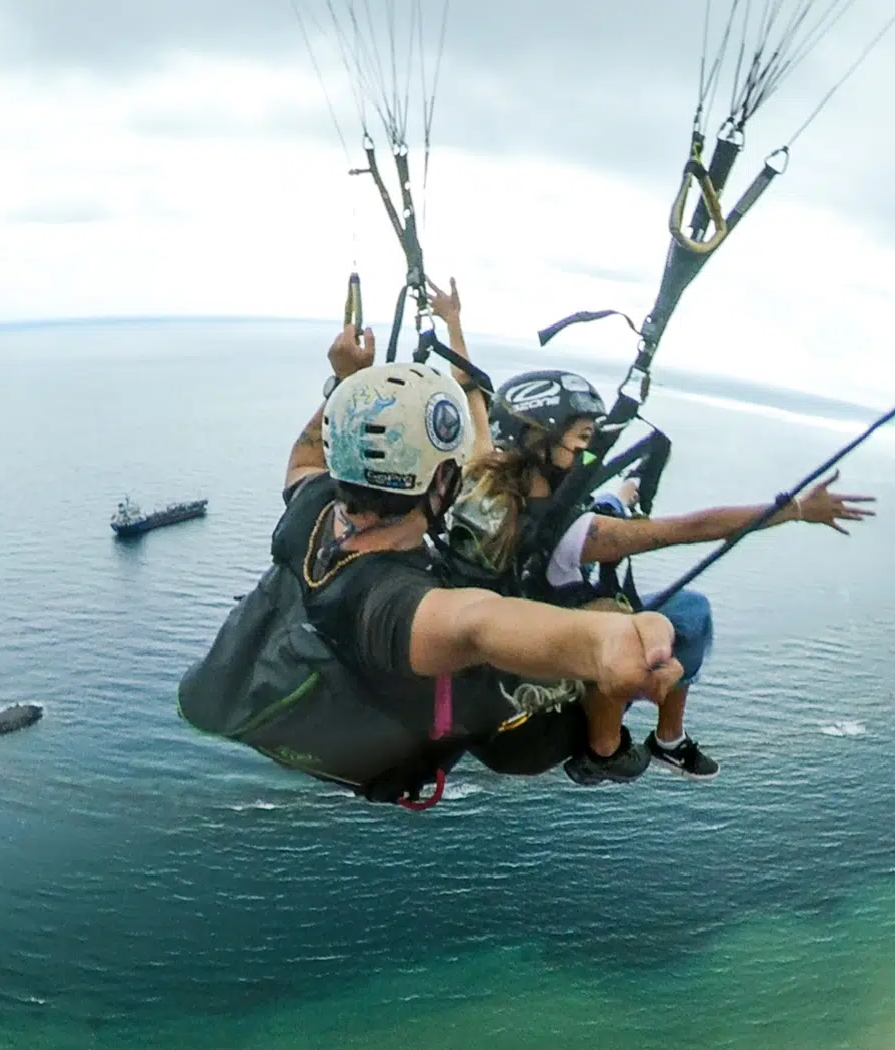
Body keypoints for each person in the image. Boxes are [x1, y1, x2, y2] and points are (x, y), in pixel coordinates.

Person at [188, 294, 683, 804]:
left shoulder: (310, 511)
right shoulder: (396, 605)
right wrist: (605, 639)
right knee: (674, 618)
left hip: (296, 692)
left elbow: (307, 454)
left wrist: (349, 382)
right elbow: (479, 624)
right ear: (442, 484)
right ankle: (607, 751)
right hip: (510, 736)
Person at [441, 368, 872, 782]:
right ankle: (606, 750)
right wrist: (795, 509)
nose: (588, 456)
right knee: (665, 616)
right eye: (583, 441)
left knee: (649, 585)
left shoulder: (484, 490)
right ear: (539, 439)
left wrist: (453, 324)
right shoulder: (577, 534)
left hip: (503, 665)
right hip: (545, 696)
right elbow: (691, 527)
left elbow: (479, 413)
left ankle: (663, 739)